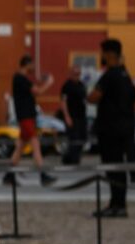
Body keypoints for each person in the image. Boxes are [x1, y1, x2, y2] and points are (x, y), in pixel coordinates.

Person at [88, 38, 135, 217]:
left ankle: (115, 205)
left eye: (102, 52)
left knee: (112, 168)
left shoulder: (109, 76)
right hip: (125, 128)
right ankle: (120, 204)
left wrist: (88, 94)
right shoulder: (126, 76)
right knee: (120, 169)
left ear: (109, 54)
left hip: (110, 129)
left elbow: (94, 97)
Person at [10, 54, 55, 184]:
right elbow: (37, 91)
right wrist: (49, 82)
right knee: (35, 144)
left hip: (26, 116)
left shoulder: (21, 79)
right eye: (32, 65)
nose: (34, 67)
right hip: (26, 117)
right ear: (27, 64)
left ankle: (9, 174)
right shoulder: (20, 78)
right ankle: (43, 174)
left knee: (20, 147)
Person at [59, 69, 89, 167]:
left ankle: (73, 157)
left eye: (78, 74)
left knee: (82, 138)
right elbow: (63, 102)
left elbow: (85, 99)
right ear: (70, 74)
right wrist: (67, 117)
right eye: (75, 74)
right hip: (72, 117)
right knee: (74, 139)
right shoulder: (67, 86)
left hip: (82, 117)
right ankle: (71, 159)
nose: (77, 76)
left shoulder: (81, 85)